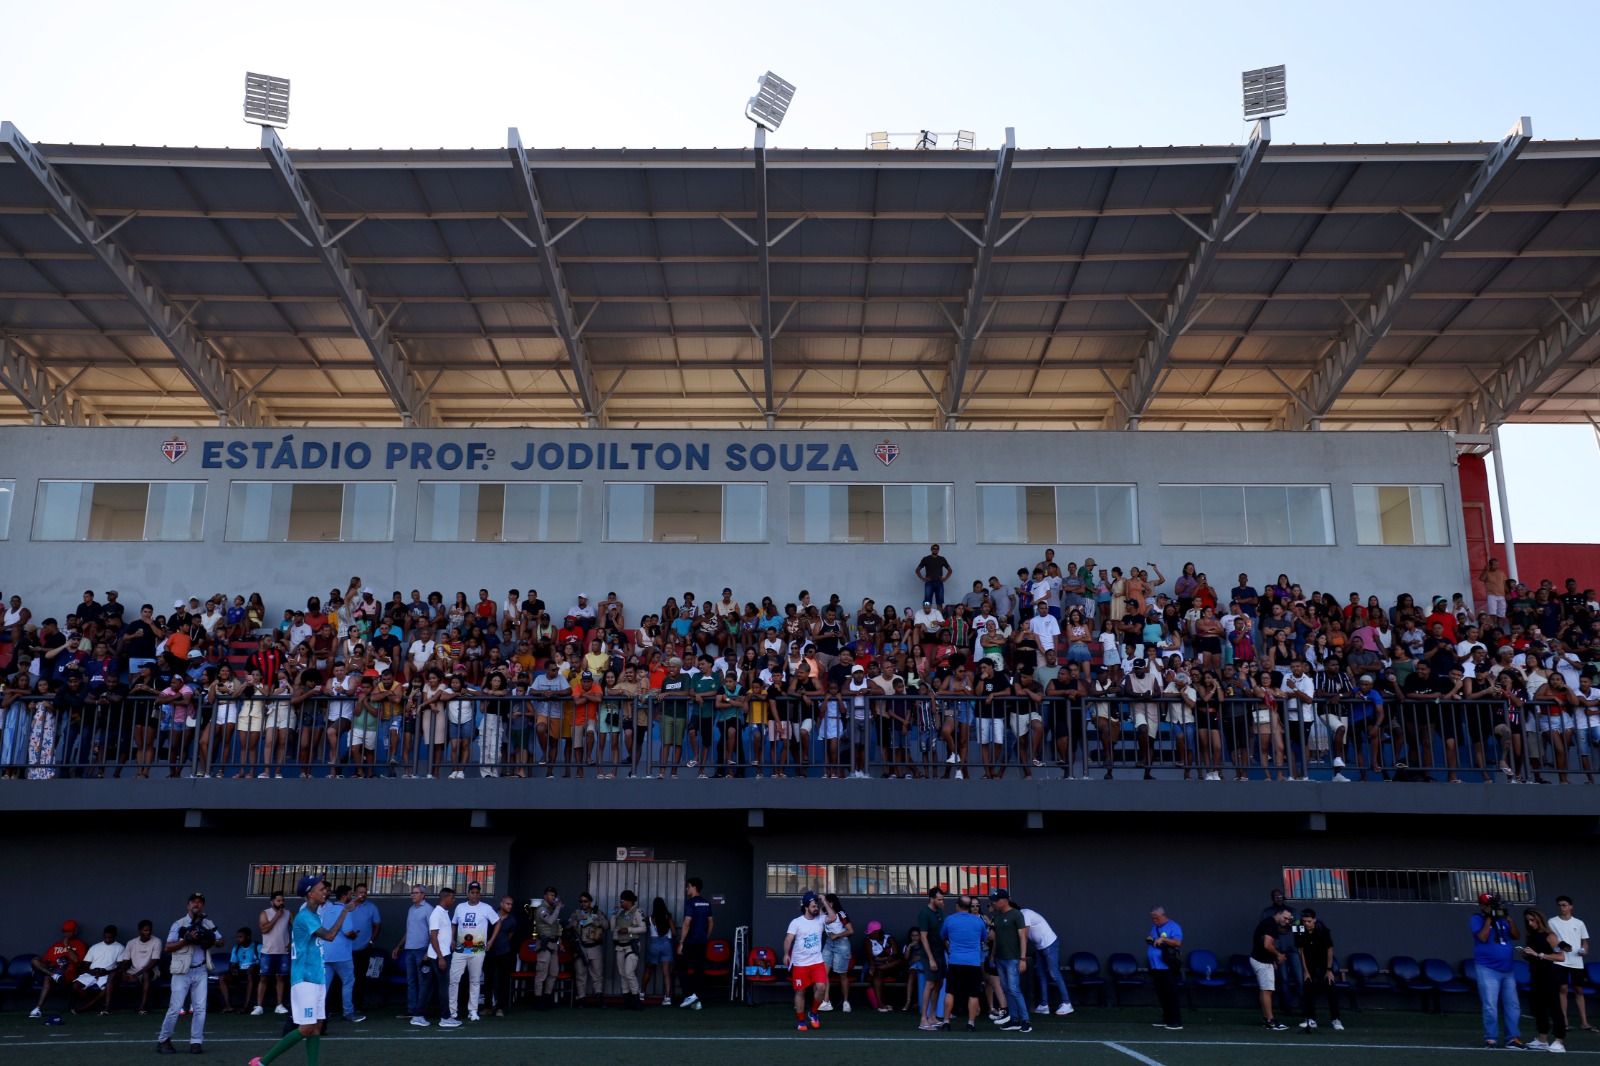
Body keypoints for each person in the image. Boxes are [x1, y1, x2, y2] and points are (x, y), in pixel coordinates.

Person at [246, 874, 358, 1066]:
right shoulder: (305, 916)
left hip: (317, 978)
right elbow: (330, 936)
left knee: (317, 1026)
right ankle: (263, 1062)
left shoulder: (314, 915)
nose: (325, 892)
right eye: (321, 889)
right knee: (307, 1028)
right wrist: (345, 911)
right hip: (305, 980)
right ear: (310, 894)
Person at [155, 892, 219, 1054]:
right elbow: (168, 947)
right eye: (193, 902)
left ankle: (196, 1042)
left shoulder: (208, 923)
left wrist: (208, 938)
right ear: (188, 905)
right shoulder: (179, 924)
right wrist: (186, 940)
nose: (196, 904)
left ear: (203, 906)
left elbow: (221, 941)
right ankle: (163, 1040)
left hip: (201, 970)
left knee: (200, 1008)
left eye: (200, 902)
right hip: (182, 971)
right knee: (175, 1008)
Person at [1472, 892, 1527, 1050]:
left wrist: (1509, 919)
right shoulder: (1477, 918)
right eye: (1488, 905)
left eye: (1494, 905)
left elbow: (1516, 935)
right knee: (1490, 1005)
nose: (1492, 908)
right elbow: (1483, 937)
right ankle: (1491, 1038)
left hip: (1507, 969)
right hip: (1487, 968)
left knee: (1512, 1005)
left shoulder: (1503, 919)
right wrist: (1489, 918)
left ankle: (1512, 1038)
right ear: (1481, 906)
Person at [448, 880, 497, 1023]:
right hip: (460, 950)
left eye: (477, 893)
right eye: (472, 892)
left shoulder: (486, 908)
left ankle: (473, 1010)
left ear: (480, 894)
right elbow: (454, 924)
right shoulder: (460, 907)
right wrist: (452, 939)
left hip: (477, 950)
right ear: (467, 894)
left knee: (475, 981)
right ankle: (452, 1010)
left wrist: (491, 941)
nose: (475, 895)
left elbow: (498, 921)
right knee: (453, 980)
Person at [1522, 908, 1569, 1053]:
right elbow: (1533, 957)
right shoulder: (1531, 936)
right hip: (1536, 975)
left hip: (1549, 976)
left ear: (1539, 919)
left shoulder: (1550, 936)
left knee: (1554, 1008)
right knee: (1539, 1008)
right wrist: (1526, 954)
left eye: (1533, 920)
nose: (1530, 923)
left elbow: (1561, 957)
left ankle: (1559, 1040)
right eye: (1528, 921)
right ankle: (1542, 1039)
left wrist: (1539, 954)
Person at [939, 891, 988, 1033]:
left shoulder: (949, 920)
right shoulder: (978, 921)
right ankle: (970, 1024)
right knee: (974, 993)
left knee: (950, 992)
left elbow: (942, 936)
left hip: (955, 961)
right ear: (969, 906)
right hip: (973, 962)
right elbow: (984, 937)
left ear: (957, 906)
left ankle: (946, 1022)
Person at [783, 891, 830, 1031]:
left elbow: (833, 917)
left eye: (817, 906)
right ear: (806, 907)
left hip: (817, 962)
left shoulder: (821, 919)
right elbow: (788, 939)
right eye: (813, 906)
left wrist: (825, 901)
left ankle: (813, 1013)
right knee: (800, 992)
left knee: (822, 987)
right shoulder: (796, 922)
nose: (816, 908)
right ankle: (801, 1021)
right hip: (800, 964)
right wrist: (786, 954)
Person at [318, 884, 364, 1024]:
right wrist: (355, 935)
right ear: (345, 896)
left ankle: (318, 1013)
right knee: (348, 982)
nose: (352, 897)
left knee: (324, 986)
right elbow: (348, 932)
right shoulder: (346, 911)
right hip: (342, 954)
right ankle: (348, 1012)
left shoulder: (328, 910)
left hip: (327, 953)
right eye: (350, 894)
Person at [988, 889, 1032, 1033]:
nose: (993, 903)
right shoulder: (997, 915)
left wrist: (1022, 959)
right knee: (1007, 990)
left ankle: (1025, 1021)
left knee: (1014, 989)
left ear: (1004, 900)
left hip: (1013, 959)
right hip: (1000, 958)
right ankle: (1014, 1020)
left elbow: (1023, 938)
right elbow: (996, 938)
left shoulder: (1016, 915)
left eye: (996, 900)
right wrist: (993, 955)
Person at [1548, 895, 1593, 1033]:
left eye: (1565, 905)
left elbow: (1585, 943)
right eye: (1560, 905)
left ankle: (1584, 1022)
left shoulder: (1579, 923)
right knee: (1563, 988)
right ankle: (1564, 1021)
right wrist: (1559, 947)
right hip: (1560, 960)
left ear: (1571, 906)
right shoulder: (1552, 922)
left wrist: (1584, 951)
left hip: (1576, 961)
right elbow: (1550, 939)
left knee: (1579, 990)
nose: (1562, 907)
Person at [393, 885, 434, 1026]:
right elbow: (409, 931)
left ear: (423, 895)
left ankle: (421, 1010)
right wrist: (399, 946)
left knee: (423, 982)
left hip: (422, 950)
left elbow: (433, 932)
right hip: (409, 950)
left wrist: (429, 952)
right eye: (412, 893)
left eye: (416, 893)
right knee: (411, 982)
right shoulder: (411, 909)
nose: (413, 895)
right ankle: (412, 1009)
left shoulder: (428, 909)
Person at [1294, 909, 1343, 1032]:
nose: (1306, 924)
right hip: (1309, 964)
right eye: (1304, 921)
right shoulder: (1299, 930)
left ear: (1314, 920)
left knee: (1331, 988)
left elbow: (1329, 949)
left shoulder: (1322, 930)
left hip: (1323, 964)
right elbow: (1300, 951)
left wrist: (1329, 969)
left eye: (1309, 921)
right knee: (1307, 988)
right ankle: (1311, 1019)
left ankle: (1336, 1019)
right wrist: (1305, 971)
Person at [1021, 904, 1073, 1017]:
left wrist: (1022, 957)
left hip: (1050, 944)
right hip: (1040, 947)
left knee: (1054, 973)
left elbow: (1024, 937)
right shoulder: (1021, 916)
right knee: (1040, 974)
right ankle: (1044, 1005)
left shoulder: (1025, 914)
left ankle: (1067, 1003)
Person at [28, 920, 87, 1018]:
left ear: (75, 931)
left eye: (69, 931)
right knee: (35, 960)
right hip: (51, 972)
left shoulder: (80, 944)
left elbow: (77, 961)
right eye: (65, 931)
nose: (66, 933)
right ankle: (53, 975)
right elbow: (45, 961)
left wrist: (68, 946)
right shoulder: (56, 945)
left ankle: (38, 1009)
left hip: (66, 975)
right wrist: (50, 964)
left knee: (48, 978)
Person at [1249, 906, 1294, 1031]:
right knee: (1267, 990)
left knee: (1265, 990)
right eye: (1285, 918)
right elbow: (1267, 945)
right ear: (1278, 914)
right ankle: (1270, 1021)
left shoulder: (1269, 923)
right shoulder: (1271, 925)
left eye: (1289, 919)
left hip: (1261, 960)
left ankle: (1266, 1019)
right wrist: (1278, 955)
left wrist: (1272, 960)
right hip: (1261, 962)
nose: (1286, 921)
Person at [70, 924, 126, 1016]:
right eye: (105, 937)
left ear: (115, 936)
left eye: (110, 938)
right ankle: (97, 1006)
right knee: (75, 986)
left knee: (109, 986)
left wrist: (106, 972)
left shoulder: (120, 947)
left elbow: (120, 966)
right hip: (92, 973)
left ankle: (87, 1007)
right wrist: (91, 972)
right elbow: (85, 965)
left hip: (107, 974)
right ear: (103, 935)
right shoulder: (95, 947)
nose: (107, 940)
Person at [569, 892, 610, 1008]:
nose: (583, 903)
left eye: (585, 901)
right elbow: (569, 927)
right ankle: (582, 999)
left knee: (597, 975)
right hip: (581, 947)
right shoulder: (576, 914)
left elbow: (607, 925)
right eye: (581, 901)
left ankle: (599, 998)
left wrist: (595, 921)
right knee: (580, 975)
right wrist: (577, 922)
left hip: (595, 947)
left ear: (590, 902)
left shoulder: (598, 913)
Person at [678, 876, 714, 1010]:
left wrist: (681, 942)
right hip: (702, 942)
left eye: (688, 886)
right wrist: (706, 937)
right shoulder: (706, 903)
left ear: (694, 887)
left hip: (690, 941)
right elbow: (711, 922)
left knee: (681, 967)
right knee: (699, 970)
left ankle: (689, 995)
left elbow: (687, 923)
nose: (686, 889)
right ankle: (697, 999)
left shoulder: (690, 903)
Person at [915, 888, 946, 1032]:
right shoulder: (924, 914)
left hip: (940, 952)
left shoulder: (940, 912)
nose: (941, 902)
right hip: (929, 954)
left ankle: (932, 1016)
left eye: (942, 899)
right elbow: (923, 937)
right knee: (930, 983)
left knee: (939, 983)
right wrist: (931, 959)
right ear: (931, 899)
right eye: (939, 899)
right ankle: (923, 1019)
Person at [1147, 906, 1183, 1030]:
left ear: (1163, 915)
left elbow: (1177, 942)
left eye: (1156, 918)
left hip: (1167, 967)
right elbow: (1156, 940)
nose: (1155, 921)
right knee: (1161, 994)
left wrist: (1163, 939)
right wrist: (1151, 939)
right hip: (1156, 967)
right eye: (1153, 919)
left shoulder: (1174, 926)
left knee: (1171, 994)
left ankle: (1176, 1021)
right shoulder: (1155, 927)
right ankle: (1167, 1018)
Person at [427, 887, 459, 1026]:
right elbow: (433, 937)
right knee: (444, 987)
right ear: (445, 898)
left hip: (442, 954)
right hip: (440, 956)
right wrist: (440, 957)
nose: (454, 900)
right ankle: (445, 1018)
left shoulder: (444, 912)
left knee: (429, 986)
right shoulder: (437, 914)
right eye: (452, 898)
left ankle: (418, 1014)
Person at [611, 890, 648, 1011]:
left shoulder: (637, 911)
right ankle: (626, 1001)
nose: (620, 903)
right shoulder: (621, 912)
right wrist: (613, 914)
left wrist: (628, 930)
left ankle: (636, 1000)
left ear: (629, 901)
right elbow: (612, 928)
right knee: (622, 974)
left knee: (629, 973)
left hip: (631, 946)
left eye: (622, 901)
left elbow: (643, 928)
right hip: (620, 946)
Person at [483, 895, 518, 1017]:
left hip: (504, 953)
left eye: (511, 904)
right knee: (488, 979)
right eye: (508, 904)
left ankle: (500, 1008)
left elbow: (510, 936)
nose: (510, 906)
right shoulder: (491, 915)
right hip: (490, 952)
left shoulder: (512, 920)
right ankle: (487, 1007)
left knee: (503, 980)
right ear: (501, 903)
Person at [818, 892, 853, 1011]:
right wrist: (821, 915)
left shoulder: (841, 914)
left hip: (841, 944)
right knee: (823, 972)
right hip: (829, 943)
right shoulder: (825, 915)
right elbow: (820, 930)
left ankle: (846, 1002)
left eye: (826, 902)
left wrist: (837, 935)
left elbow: (850, 931)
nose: (824, 905)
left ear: (831, 903)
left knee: (842, 974)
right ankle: (826, 1001)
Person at [531, 886, 564, 1010]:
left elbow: (555, 928)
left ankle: (547, 998)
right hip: (544, 945)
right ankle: (538, 1000)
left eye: (554, 896)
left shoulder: (551, 909)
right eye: (551, 895)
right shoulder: (542, 909)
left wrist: (560, 942)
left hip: (553, 945)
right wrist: (558, 908)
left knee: (553, 973)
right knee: (541, 974)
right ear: (545, 896)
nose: (553, 898)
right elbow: (550, 921)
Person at [862, 922, 905, 1012]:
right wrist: (879, 961)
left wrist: (882, 959)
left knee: (899, 961)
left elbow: (895, 954)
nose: (870, 934)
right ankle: (881, 1005)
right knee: (877, 973)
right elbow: (870, 957)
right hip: (877, 968)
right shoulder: (868, 941)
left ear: (877, 931)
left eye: (871, 932)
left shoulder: (889, 938)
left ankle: (879, 968)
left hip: (891, 967)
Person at [122, 919, 163, 1015]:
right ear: (139, 931)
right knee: (114, 975)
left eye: (149, 930)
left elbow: (154, 962)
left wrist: (136, 975)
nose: (148, 932)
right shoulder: (131, 943)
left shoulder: (157, 941)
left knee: (146, 974)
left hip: (150, 971)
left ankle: (143, 1006)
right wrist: (123, 973)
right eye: (145, 930)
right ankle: (106, 1007)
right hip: (134, 971)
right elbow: (125, 961)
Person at [219, 927, 260, 1014]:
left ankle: (246, 1006)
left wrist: (254, 965)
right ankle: (228, 1006)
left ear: (248, 937)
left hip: (255, 971)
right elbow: (233, 964)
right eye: (237, 937)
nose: (238, 939)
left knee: (250, 975)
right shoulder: (236, 948)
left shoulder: (257, 946)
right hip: (241, 971)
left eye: (241, 937)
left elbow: (264, 962)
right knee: (223, 978)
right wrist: (233, 969)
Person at [644, 896, 676, 1006]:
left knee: (648, 969)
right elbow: (674, 932)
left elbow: (641, 926)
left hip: (654, 944)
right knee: (666, 972)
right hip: (666, 944)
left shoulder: (649, 919)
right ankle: (667, 998)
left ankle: (642, 993)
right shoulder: (668, 917)